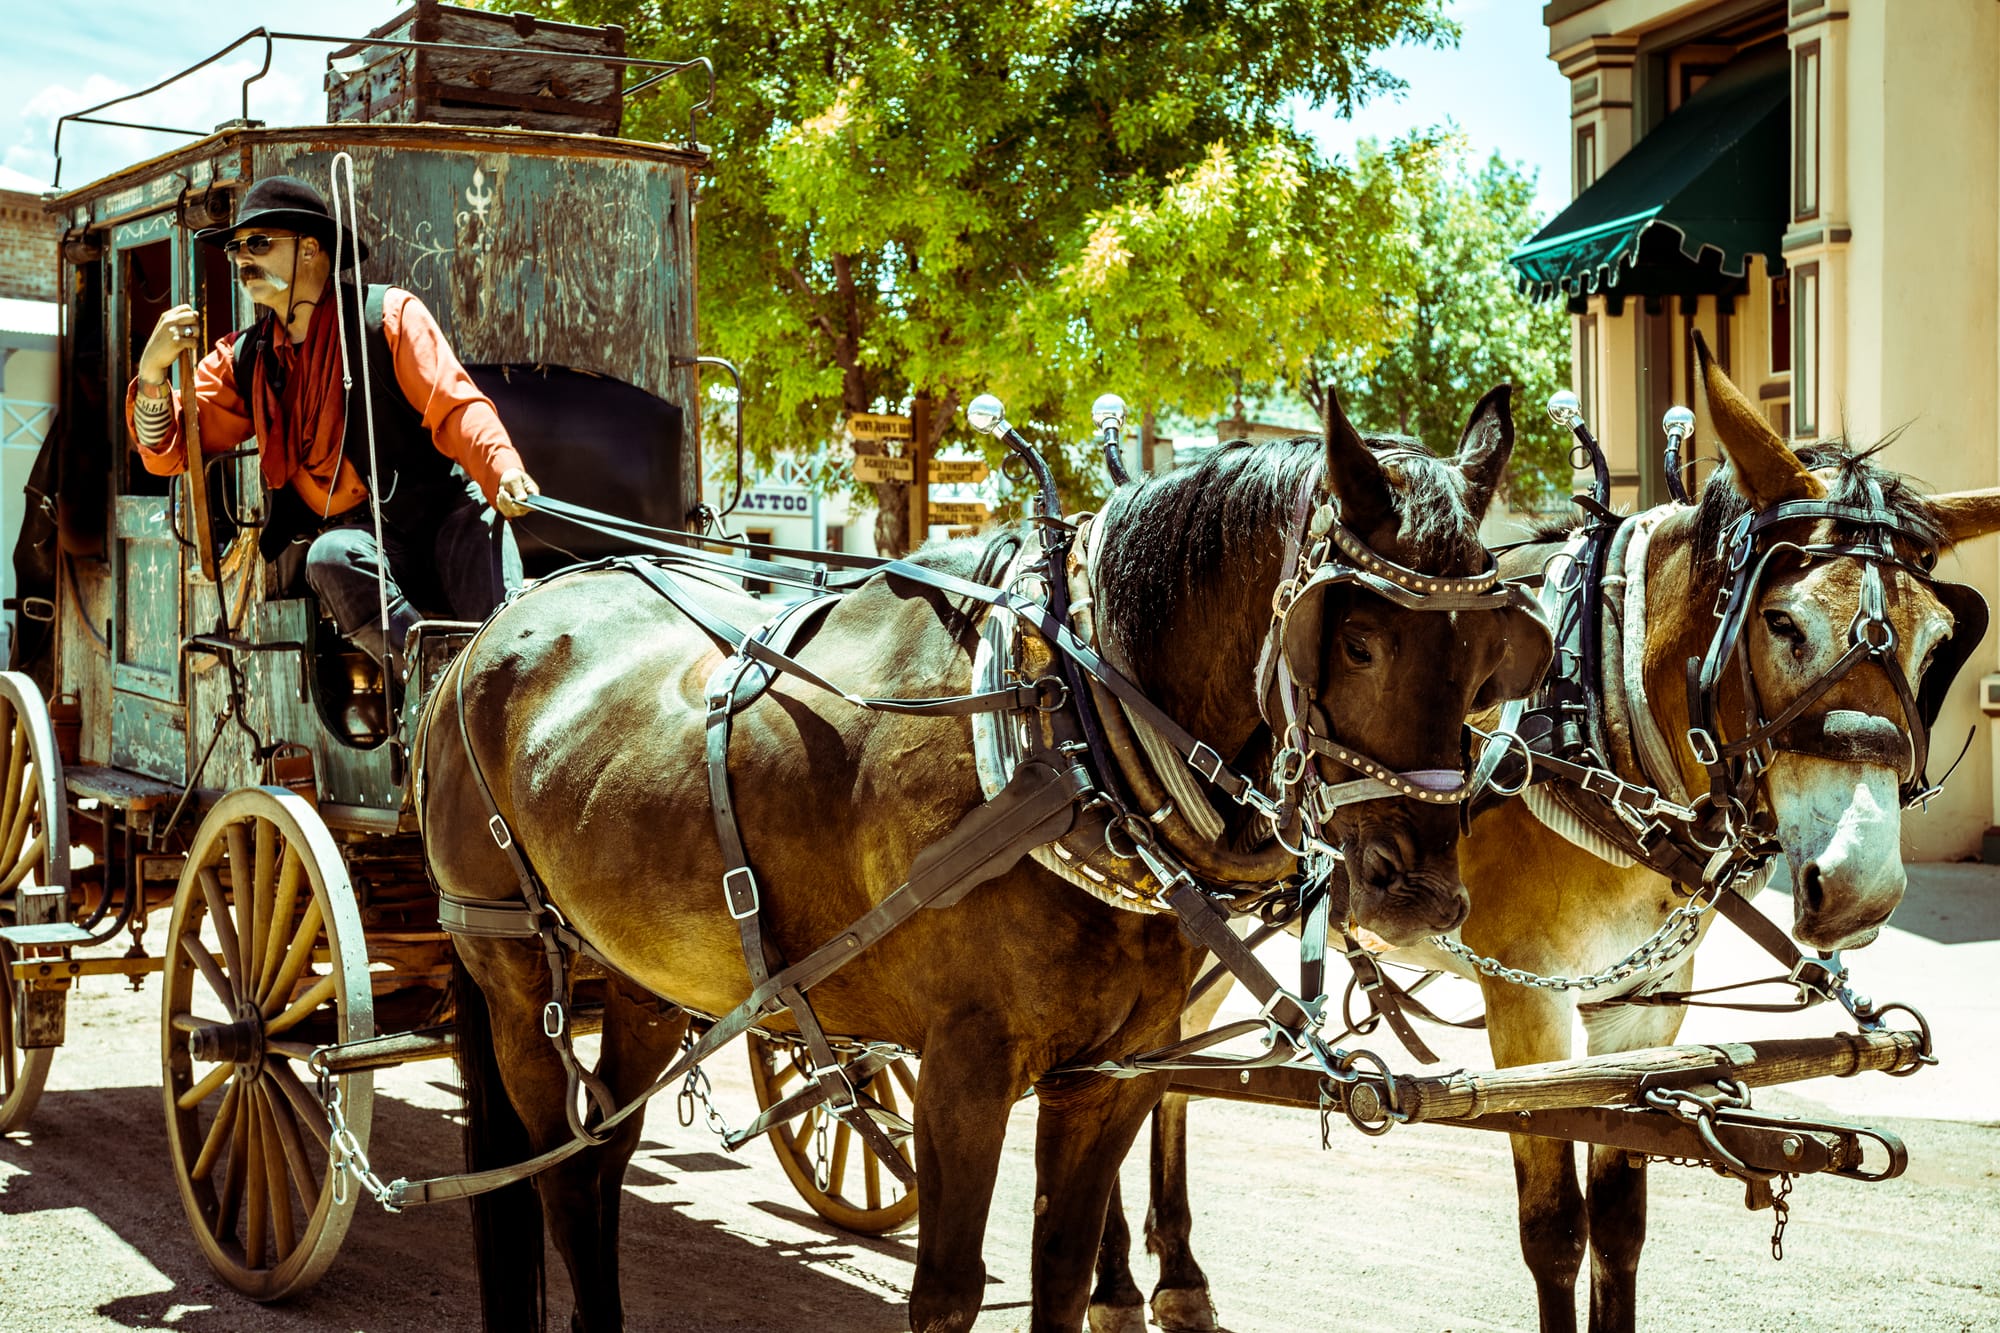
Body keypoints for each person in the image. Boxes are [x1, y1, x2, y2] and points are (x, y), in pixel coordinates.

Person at [126, 174, 541, 678]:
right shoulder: (245, 359)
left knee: (511, 625)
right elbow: (171, 450)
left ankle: (510, 685)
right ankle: (435, 683)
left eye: (258, 243)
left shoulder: (386, 316)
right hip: (368, 543)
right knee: (330, 555)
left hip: (447, 520)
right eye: (237, 248)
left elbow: (456, 407)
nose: (241, 258)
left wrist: (504, 470)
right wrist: (152, 373)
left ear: (310, 250)